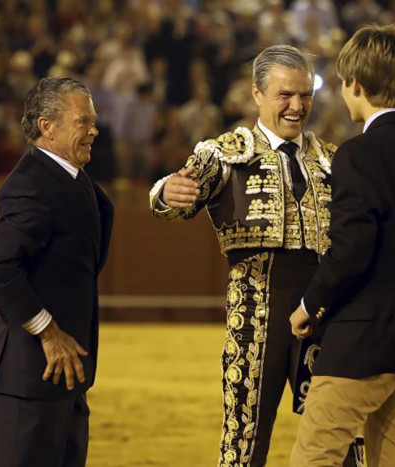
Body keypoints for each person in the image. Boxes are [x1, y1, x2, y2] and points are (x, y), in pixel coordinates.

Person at [150, 45, 362, 466]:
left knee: (342, 441)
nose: (297, 106)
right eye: (285, 95)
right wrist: (164, 192)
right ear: (257, 95)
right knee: (243, 443)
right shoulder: (225, 153)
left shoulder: (333, 160)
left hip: (325, 314)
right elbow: (174, 199)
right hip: (255, 316)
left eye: (304, 95)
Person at [289, 24, 395, 466]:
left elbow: (352, 248)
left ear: (357, 84)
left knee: (313, 456)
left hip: (366, 339)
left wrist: (310, 304)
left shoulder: (358, 154)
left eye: (345, 86)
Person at [0, 77, 114, 467]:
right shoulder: (32, 184)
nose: (94, 130)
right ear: (47, 125)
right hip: (31, 375)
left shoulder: (67, 177)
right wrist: (48, 332)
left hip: (63, 375)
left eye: (94, 121)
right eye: (83, 122)